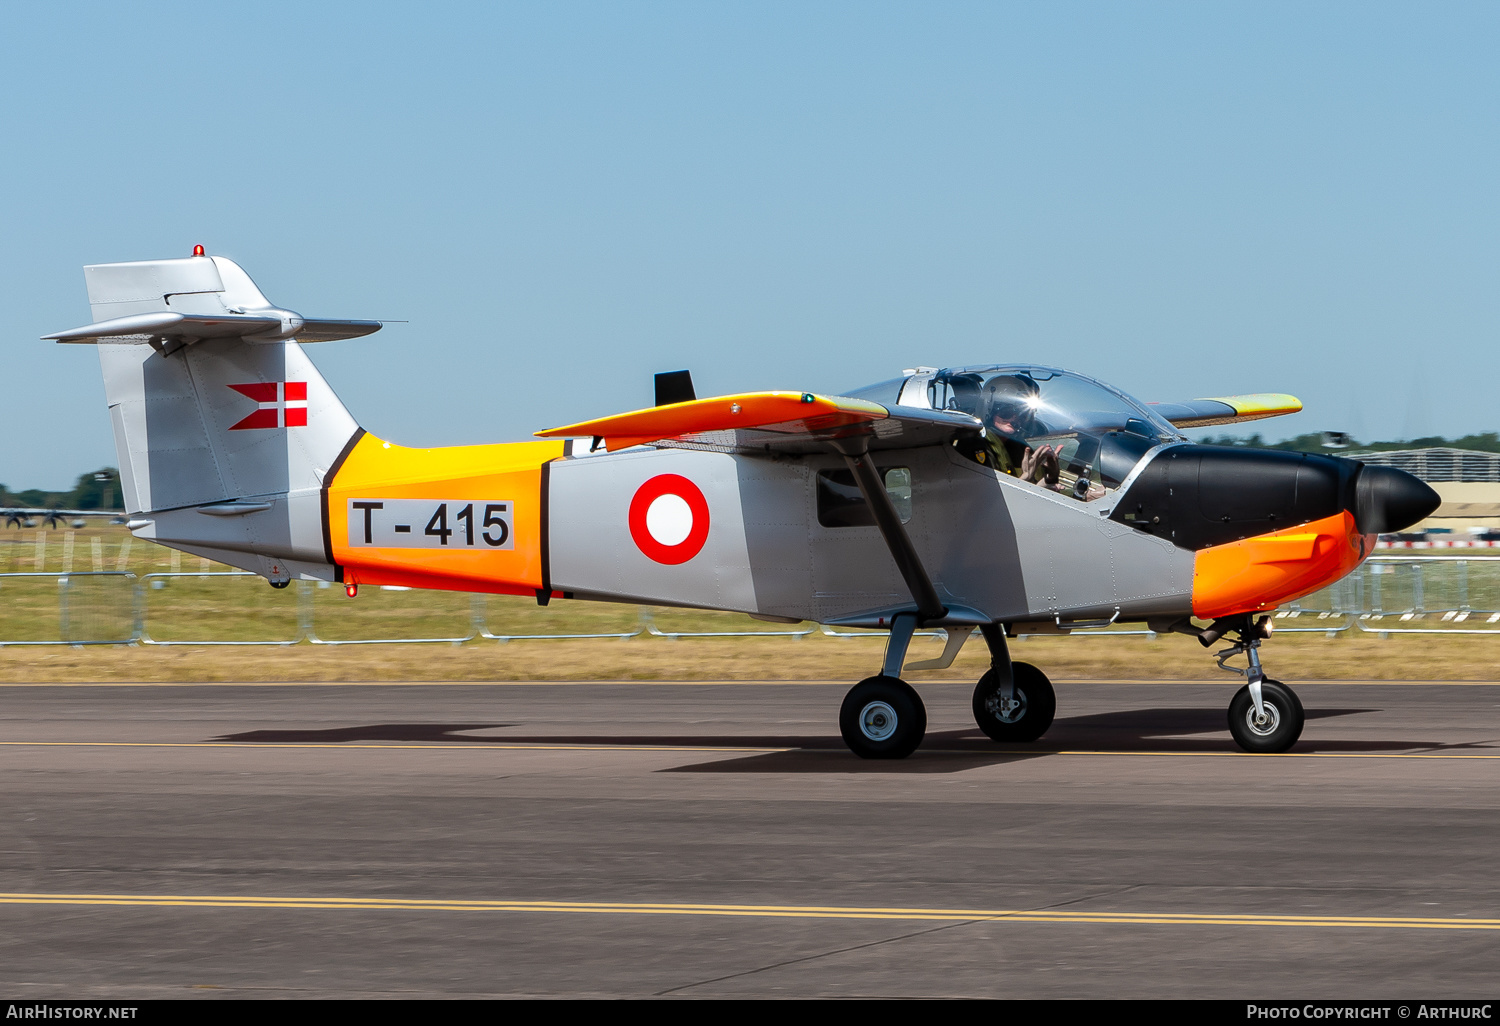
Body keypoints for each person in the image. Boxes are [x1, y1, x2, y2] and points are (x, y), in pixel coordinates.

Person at [979, 374, 1062, 487]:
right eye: (1006, 412)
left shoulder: (1020, 450)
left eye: (1021, 414)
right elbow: (987, 497)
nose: (1014, 419)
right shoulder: (977, 446)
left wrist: (1050, 478)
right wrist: (1024, 479)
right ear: (989, 409)